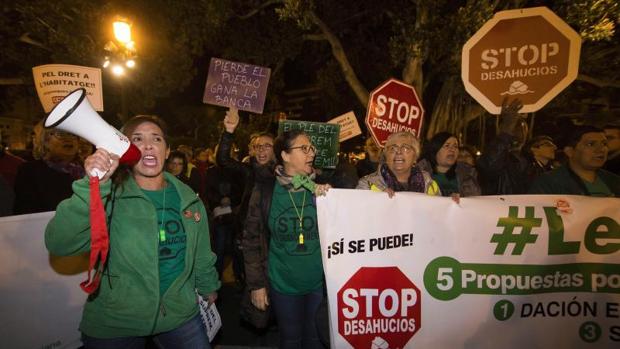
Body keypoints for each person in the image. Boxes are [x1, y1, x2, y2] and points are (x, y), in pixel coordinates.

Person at [45, 115, 220, 348]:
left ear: (167, 151)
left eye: (156, 139)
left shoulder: (189, 200)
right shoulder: (111, 196)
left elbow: (201, 253)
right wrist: (93, 186)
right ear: (125, 150)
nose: (148, 145)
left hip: (180, 314)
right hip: (117, 321)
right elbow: (60, 242)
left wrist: (209, 286)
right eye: (137, 139)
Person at [243, 129, 330, 348]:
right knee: (290, 340)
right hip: (282, 285)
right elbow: (252, 240)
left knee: (315, 340)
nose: (312, 153)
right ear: (285, 155)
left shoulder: (322, 189)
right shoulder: (265, 191)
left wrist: (332, 200)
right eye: (304, 148)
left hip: (318, 285)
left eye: (312, 148)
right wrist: (257, 286)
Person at [529, 125, 620, 196]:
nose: (601, 149)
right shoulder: (548, 183)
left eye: (604, 144)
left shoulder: (615, 182)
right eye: (591, 144)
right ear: (570, 151)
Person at [13, 128, 84, 214]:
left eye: (73, 135)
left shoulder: (87, 170)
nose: (68, 139)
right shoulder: (30, 171)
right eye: (60, 134)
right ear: (46, 141)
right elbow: (24, 211)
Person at [356, 131, 440, 196]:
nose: (398, 152)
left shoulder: (429, 185)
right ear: (386, 156)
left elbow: (439, 214)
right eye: (393, 148)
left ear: (415, 157)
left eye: (405, 148)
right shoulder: (367, 184)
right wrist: (377, 199)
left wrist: (451, 203)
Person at [417, 132, 481, 197]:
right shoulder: (419, 172)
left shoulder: (467, 173)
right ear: (435, 149)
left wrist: (461, 198)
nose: (452, 150)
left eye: (455, 146)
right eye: (447, 146)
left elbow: (473, 198)